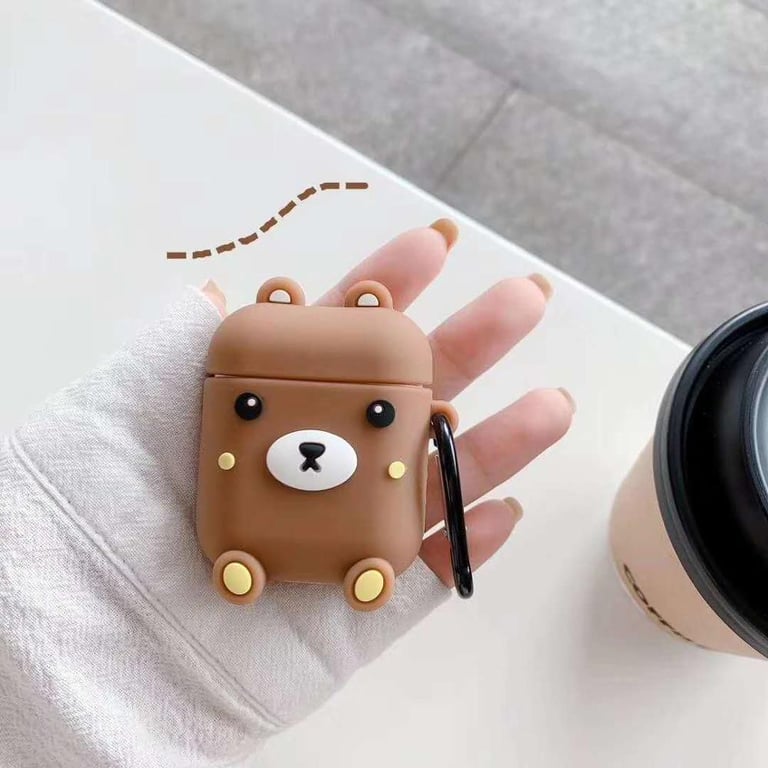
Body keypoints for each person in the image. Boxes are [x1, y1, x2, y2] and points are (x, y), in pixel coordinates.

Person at [0, 221, 574, 766]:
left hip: (323, 546)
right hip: (251, 542)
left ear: (432, 417)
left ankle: (332, 565)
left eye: (380, 414)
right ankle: (275, 564)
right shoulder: (271, 350)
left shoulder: (278, 346)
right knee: (283, 550)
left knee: (349, 552)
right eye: (250, 406)